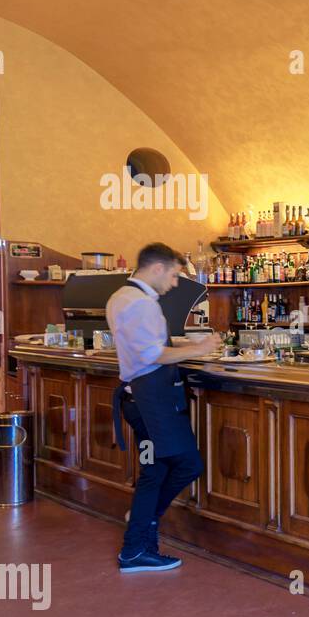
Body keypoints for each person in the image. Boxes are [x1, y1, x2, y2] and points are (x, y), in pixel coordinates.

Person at [107, 243, 220, 572]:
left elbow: (146, 346)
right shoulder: (142, 304)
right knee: (188, 465)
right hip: (152, 402)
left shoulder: (120, 297)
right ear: (156, 268)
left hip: (136, 398)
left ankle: (137, 544)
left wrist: (183, 345)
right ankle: (140, 533)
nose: (174, 283)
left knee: (154, 472)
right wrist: (199, 348)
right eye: (173, 275)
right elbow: (153, 355)